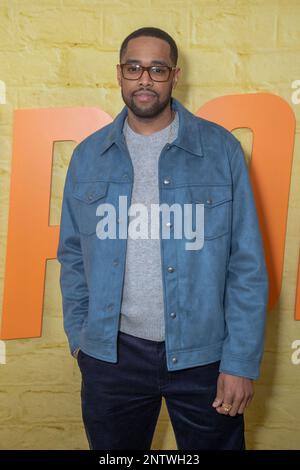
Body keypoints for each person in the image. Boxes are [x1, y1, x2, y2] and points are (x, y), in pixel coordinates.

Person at [57, 26, 269, 450]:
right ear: (119, 74)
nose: (145, 79)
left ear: (175, 75)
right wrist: (82, 340)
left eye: (157, 69)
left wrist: (240, 362)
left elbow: (246, 264)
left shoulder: (221, 150)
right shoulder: (87, 155)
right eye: (135, 68)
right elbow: (73, 255)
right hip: (111, 357)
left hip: (204, 356)